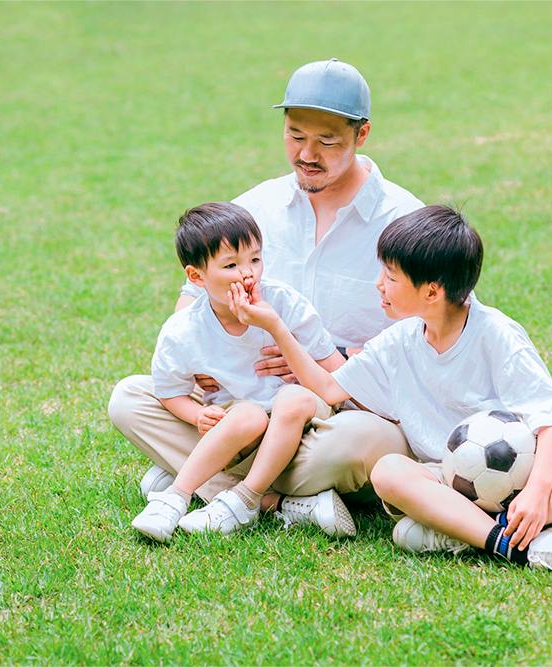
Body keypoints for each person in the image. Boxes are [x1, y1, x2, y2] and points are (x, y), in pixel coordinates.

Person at [230, 205, 552, 577]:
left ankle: (469, 531)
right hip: (449, 479)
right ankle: (522, 543)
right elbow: (330, 387)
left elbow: (550, 419)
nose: (379, 285)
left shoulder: (496, 333)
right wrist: (275, 326)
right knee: (389, 471)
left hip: (527, 471)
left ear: (432, 292)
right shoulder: (399, 340)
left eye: (390, 277)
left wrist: (537, 491)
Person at [108, 59, 425, 531]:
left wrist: (327, 357)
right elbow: (192, 303)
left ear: (362, 135)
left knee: (365, 442)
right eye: (296, 136)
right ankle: (275, 499)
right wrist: (201, 384)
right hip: (244, 405)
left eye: (327, 142)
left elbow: (430, 339)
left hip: (334, 414)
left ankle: (202, 477)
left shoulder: (403, 220)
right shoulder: (255, 206)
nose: (306, 154)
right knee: (131, 399)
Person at [130, 202, 349, 542]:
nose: (248, 273)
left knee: (292, 398)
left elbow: (335, 371)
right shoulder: (184, 330)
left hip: (303, 421)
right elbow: (169, 390)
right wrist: (197, 414)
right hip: (239, 431)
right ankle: (175, 498)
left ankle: (239, 497)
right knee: (246, 415)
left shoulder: (284, 303)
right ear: (196, 277)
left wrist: (274, 326)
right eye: (231, 265)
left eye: (255, 260)